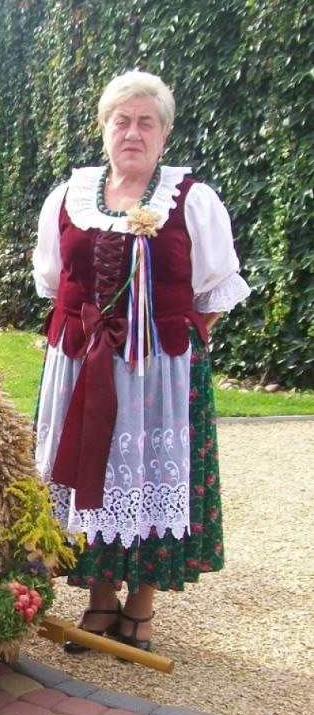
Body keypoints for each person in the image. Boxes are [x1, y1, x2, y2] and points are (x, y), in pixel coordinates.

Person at [32, 69, 250, 654]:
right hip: (80, 361)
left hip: (160, 371)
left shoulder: (192, 199)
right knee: (89, 472)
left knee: (153, 473)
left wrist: (165, 347)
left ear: (163, 134)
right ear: (103, 129)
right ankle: (99, 599)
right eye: (121, 120)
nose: (132, 132)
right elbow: (55, 284)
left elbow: (214, 293)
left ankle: (141, 605)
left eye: (145, 122)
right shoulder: (68, 197)